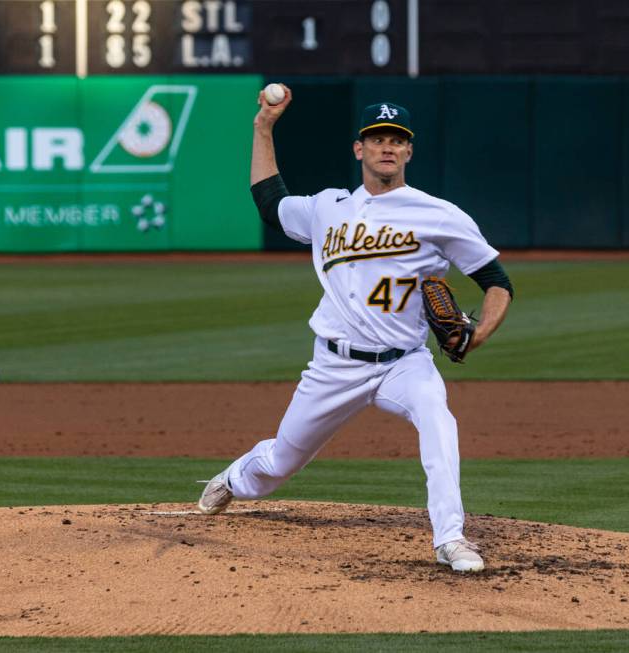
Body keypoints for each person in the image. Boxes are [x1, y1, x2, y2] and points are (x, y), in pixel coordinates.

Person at [197, 89, 514, 573]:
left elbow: (496, 281)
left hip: (404, 363)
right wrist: (263, 127)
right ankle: (237, 478)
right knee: (282, 462)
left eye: (397, 140)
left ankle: (450, 538)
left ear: (409, 151)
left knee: (438, 420)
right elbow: (269, 203)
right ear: (358, 149)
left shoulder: (438, 214)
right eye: (377, 138)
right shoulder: (329, 207)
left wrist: (479, 335)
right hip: (333, 365)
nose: (387, 147)